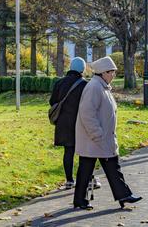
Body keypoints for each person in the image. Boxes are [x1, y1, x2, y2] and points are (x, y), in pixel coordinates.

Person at [73, 56, 142, 210]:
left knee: (111, 166)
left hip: (102, 139)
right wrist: (97, 133)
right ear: (103, 73)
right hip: (95, 138)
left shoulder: (102, 86)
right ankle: (80, 200)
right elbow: (87, 113)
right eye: (112, 72)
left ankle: (123, 195)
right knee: (87, 170)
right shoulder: (94, 87)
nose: (114, 75)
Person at [49, 57, 88, 189]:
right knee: (85, 152)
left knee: (68, 151)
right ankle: (86, 179)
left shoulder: (59, 82)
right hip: (80, 122)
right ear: (83, 69)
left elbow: (52, 101)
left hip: (63, 123)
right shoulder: (84, 84)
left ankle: (69, 180)